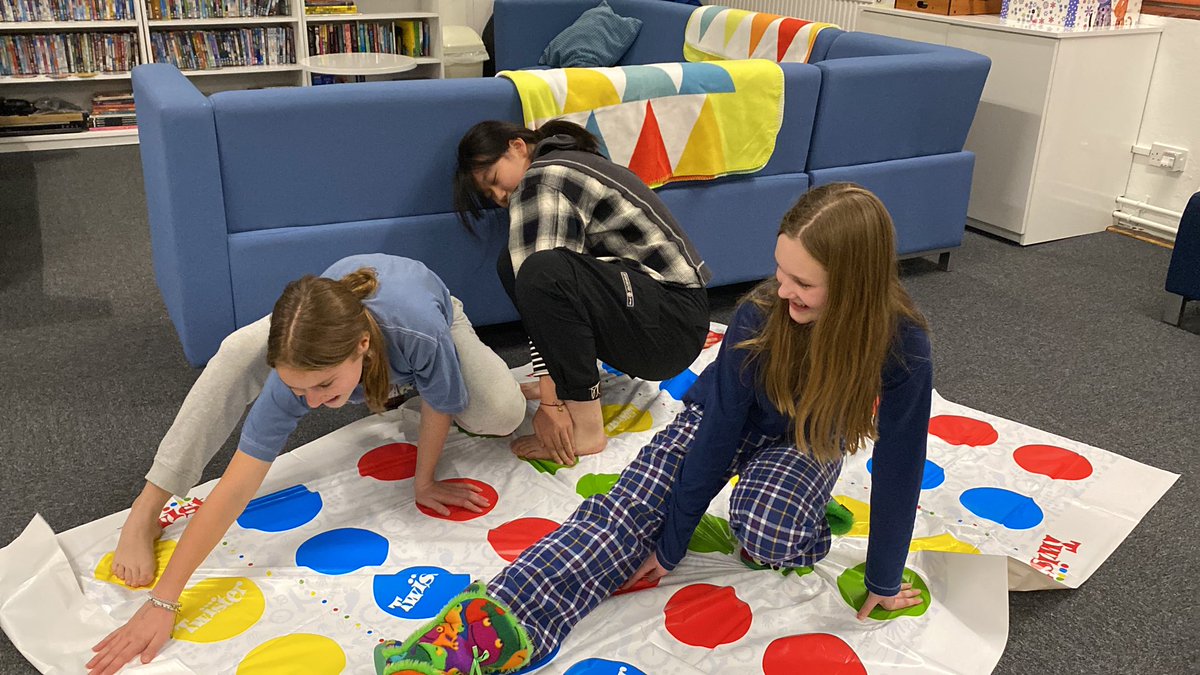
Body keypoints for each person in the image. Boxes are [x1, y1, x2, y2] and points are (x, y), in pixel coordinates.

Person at [374, 183, 932, 675]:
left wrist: (884, 579)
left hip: (805, 438)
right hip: (721, 420)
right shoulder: (761, 316)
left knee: (770, 537)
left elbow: (902, 465)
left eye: (802, 283)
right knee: (622, 515)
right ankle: (479, 632)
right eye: (781, 272)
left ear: (855, 287)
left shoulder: (903, 342)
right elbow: (716, 440)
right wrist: (670, 541)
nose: (782, 290)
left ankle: (805, 511)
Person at [88, 254, 526, 675]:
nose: (314, 403)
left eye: (322, 386)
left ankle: (405, 384)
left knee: (503, 414)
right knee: (238, 350)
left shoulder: (420, 332)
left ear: (363, 345)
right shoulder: (296, 376)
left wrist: (424, 481)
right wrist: (165, 599)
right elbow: (235, 488)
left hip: (428, 314)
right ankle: (145, 507)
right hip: (329, 320)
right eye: (301, 390)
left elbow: (438, 403)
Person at [454, 119, 711, 467]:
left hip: (671, 323)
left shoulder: (542, 177)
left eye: (494, 181)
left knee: (542, 272)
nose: (500, 197)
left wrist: (550, 405)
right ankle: (571, 388)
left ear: (517, 147)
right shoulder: (563, 161)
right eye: (490, 195)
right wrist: (554, 386)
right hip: (668, 319)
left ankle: (588, 429)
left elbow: (543, 284)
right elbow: (540, 296)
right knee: (515, 263)